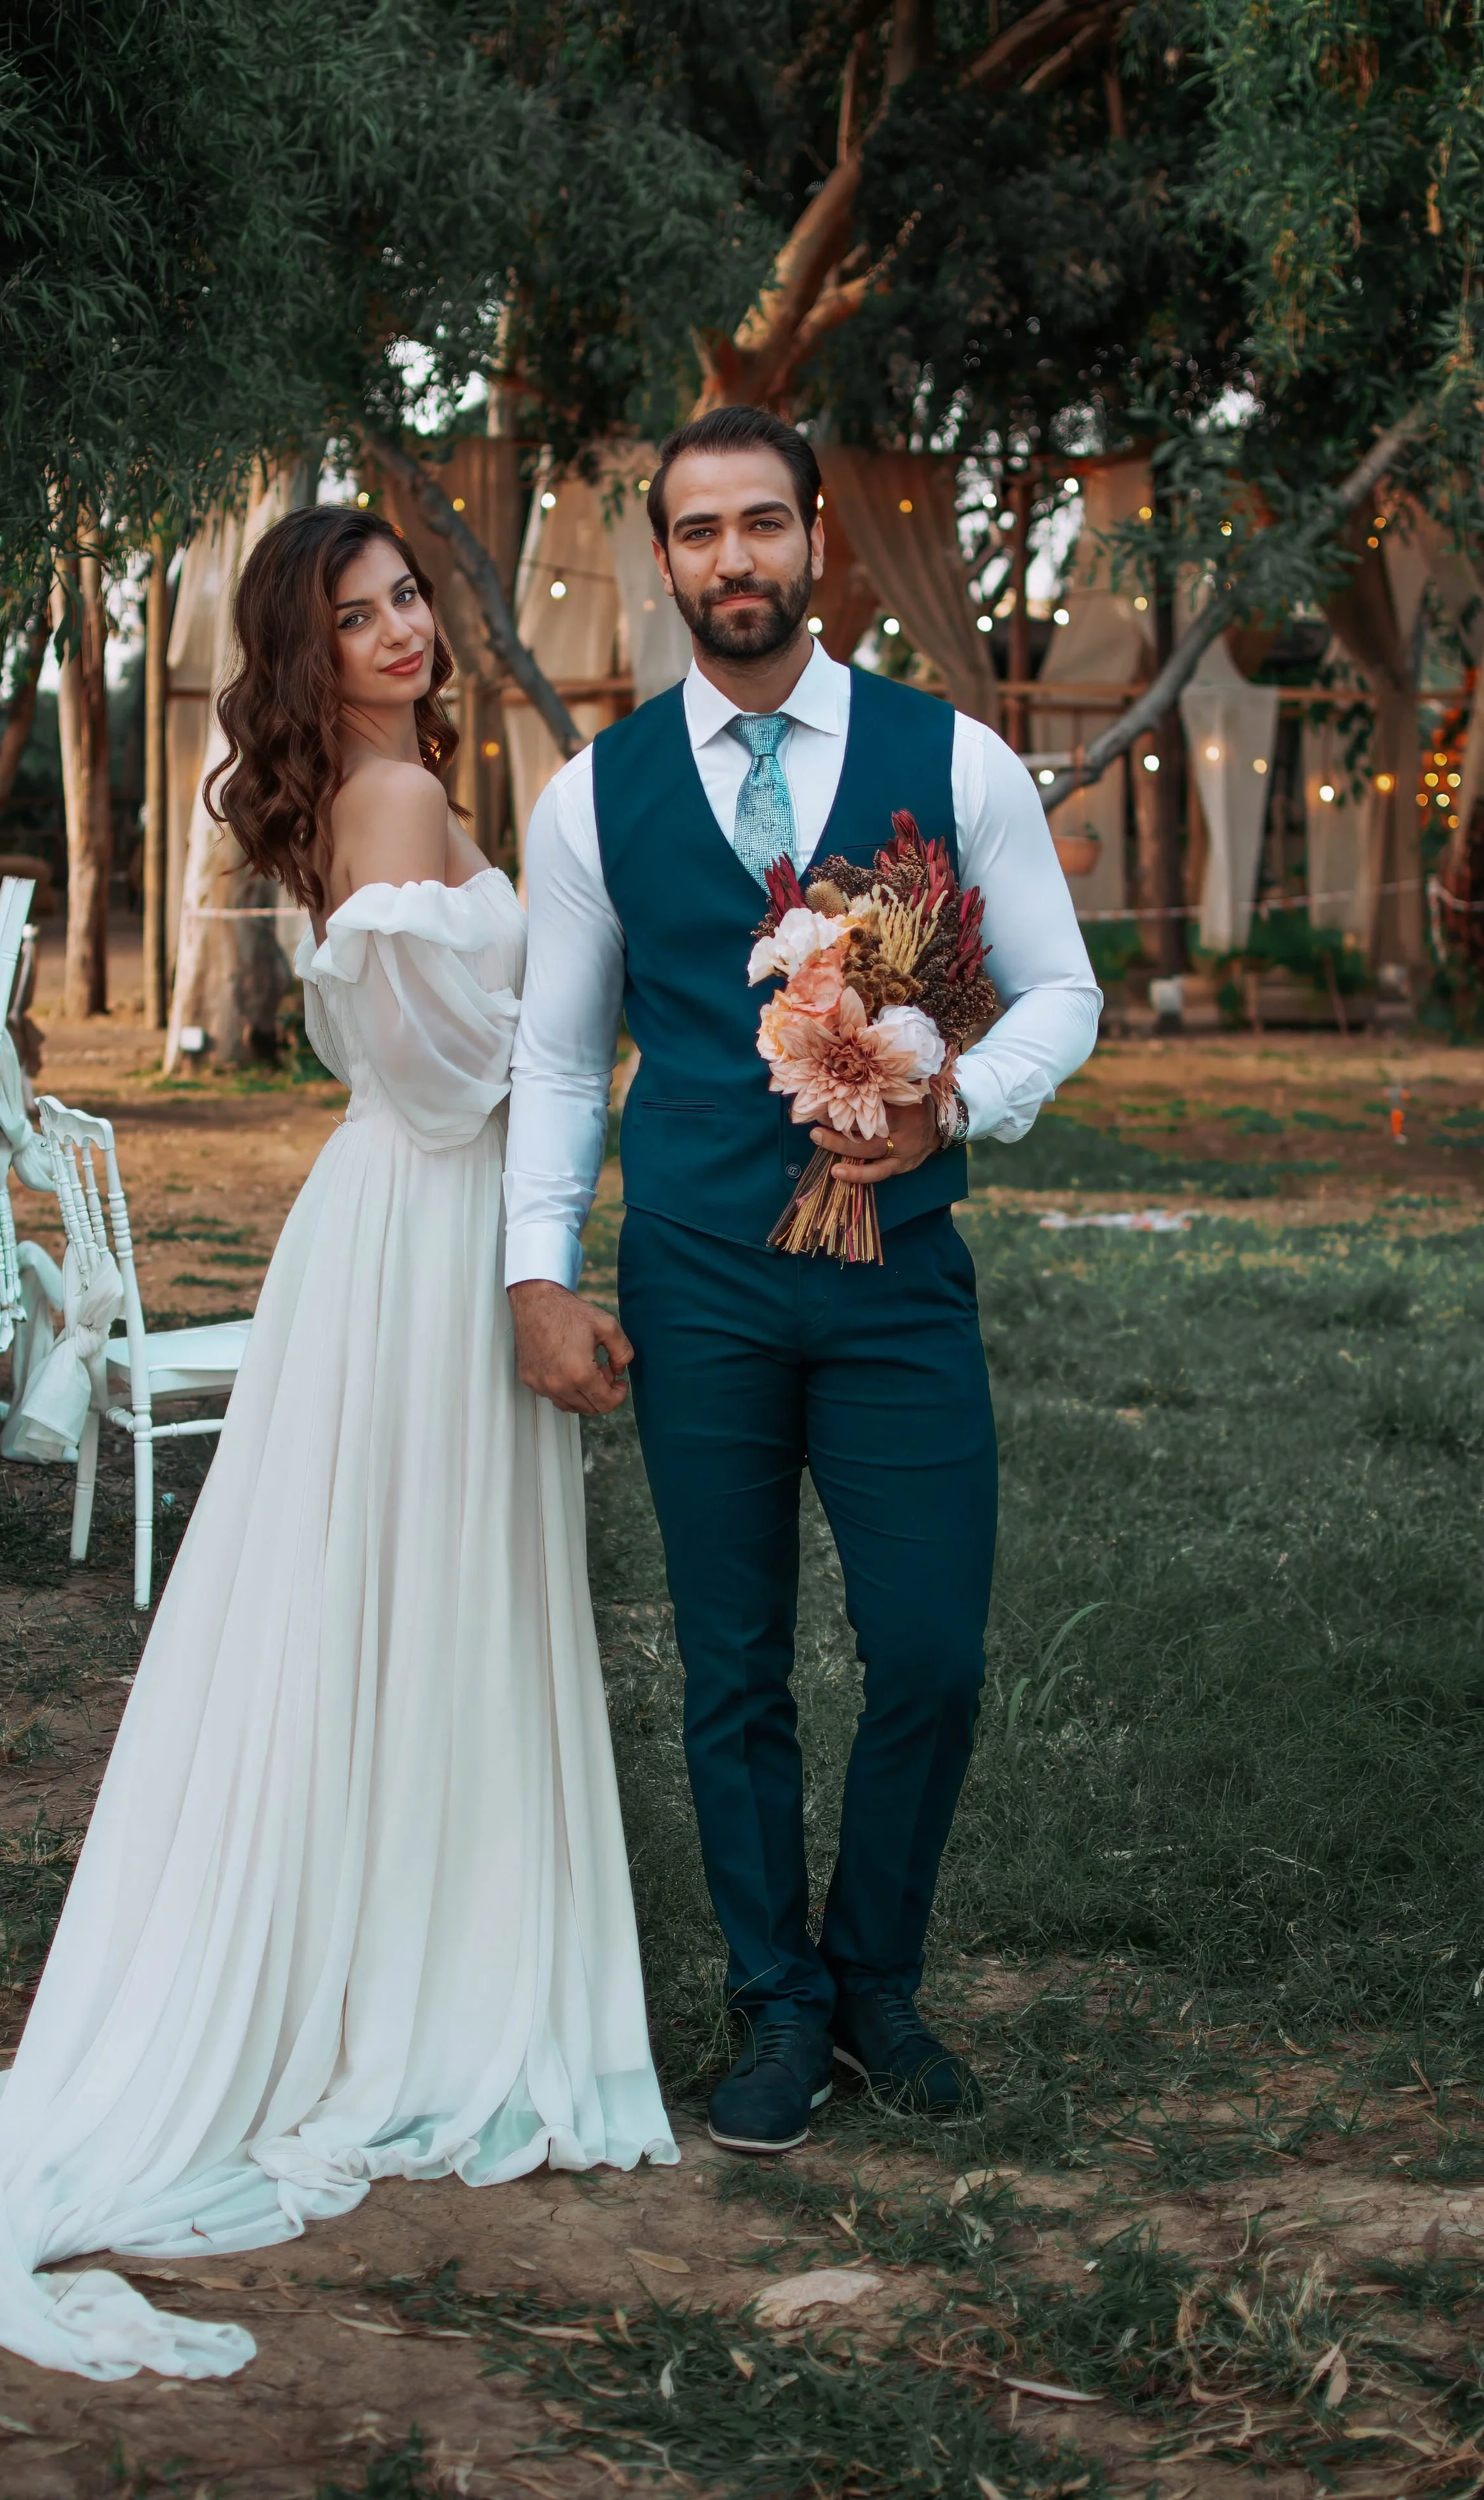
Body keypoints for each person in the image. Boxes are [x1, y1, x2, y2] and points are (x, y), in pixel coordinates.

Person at [0, 507, 675, 2381]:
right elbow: (457, 1076)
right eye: (358, 613)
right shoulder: (383, 811)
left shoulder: (380, 790)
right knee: (416, 1596)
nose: (400, 629)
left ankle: (403, 1932)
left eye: (404, 599)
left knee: (380, 1599)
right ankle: (430, 1980)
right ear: (305, 651)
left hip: (398, 1229)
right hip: (426, 1227)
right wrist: (600, 1017)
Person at [506, 406, 1101, 2156]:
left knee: (928, 1649)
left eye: (761, 524)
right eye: (697, 533)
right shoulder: (589, 796)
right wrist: (539, 1275)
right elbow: (556, 1060)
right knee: (730, 1659)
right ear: (665, 561)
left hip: (897, 1277)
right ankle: (777, 2002)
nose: (732, 560)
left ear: (815, 540)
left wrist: (949, 1103)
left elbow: (1058, 989)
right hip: (694, 1271)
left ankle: (877, 1976)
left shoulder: (955, 758)